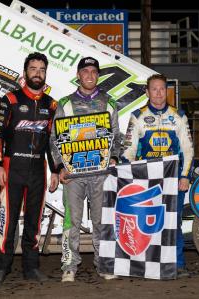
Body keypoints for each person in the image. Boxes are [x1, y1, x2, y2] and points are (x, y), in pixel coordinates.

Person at [0, 52, 59, 287]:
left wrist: (55, 170)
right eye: (33, 69)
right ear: (25, 72)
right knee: (6, 222)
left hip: (38, 170)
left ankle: (31, 268)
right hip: (12, 168)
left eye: (41, 69)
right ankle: (1, 269)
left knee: (34, 222)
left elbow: (51, 141)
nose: (37, 73)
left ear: (45, 73)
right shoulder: (10, 100)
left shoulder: (51, 104)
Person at [50, 57, 120, 282]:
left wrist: (115, 157)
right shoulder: (65, 103)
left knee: (102, 222)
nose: (90, 75)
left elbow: (116, 136)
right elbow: (54, 139)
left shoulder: (109, 102)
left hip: (101, 174)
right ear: (78, 75)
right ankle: (69, 266)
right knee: (72, 222)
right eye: (85, 71)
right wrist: (60, 166)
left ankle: (104, 264)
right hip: (73, 176)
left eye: (93, 71)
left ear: (97, 75)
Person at [120, 73, 194, 278]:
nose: (159, 93)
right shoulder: (137, 116)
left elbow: (188, 150)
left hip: (173, 179)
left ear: (167, 91)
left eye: (162, 88)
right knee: (146, 222)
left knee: (174, 222)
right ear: (147, 92)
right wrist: (130, 175)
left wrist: (185, 176)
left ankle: (177, 264)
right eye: (154, 89)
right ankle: (148, 265)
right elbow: (128, 150)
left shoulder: (179, 115)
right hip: (147, 179)